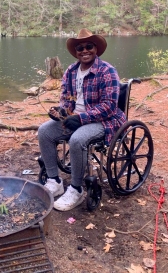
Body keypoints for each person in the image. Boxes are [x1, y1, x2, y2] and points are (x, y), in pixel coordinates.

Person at [38, 28, 126, 211]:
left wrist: (82, 118)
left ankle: (76, 189)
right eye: (80, 48)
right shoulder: (71, 71)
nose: (84, 51)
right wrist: (60, 111)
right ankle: (54, 180)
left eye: (89, 46)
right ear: (76, 52)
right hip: (74, 118)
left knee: (77, 139)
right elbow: (65, 99)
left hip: (104, 121)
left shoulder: (107, 71)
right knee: (44, 131)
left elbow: (109, 106)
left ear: (96, 49)